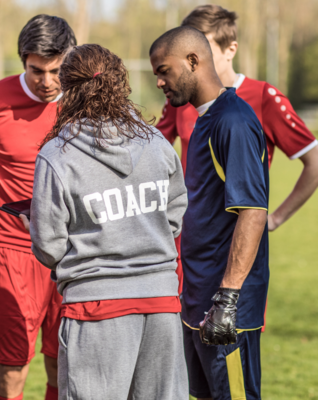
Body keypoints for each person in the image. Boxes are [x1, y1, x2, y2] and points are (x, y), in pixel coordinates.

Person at [26, 43, 188, 400]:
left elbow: (48, 246)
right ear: (120, 81)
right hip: (161, 302)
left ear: (67, 90)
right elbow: (175, 210)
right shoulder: (157, 141)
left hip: (95, 309)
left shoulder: (56, 154)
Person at [150, 26, 269, 400]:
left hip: (224, 308)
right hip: (198, 298)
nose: (158, 82)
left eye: (163, 70)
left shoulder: (232, 121)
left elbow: (252, 211)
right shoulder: (204, 119)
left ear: (192, 61)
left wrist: (227, 299)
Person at [0, 15, 76, 400]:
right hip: (9, 249)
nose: (47, 81)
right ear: (22, 61)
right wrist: (10, 202)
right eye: (36, 70)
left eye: (56, 70)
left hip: (72, 250)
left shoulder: (83, 104)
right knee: (13, 366)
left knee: (64, 361)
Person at [157, 4, 318, 232]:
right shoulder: (179, 97)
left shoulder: (264, 97)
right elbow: (150, 154)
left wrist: (275, 219)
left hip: (232, 239)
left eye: (204, 45)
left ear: (231, 49)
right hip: (184, 237)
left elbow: (314, 161)